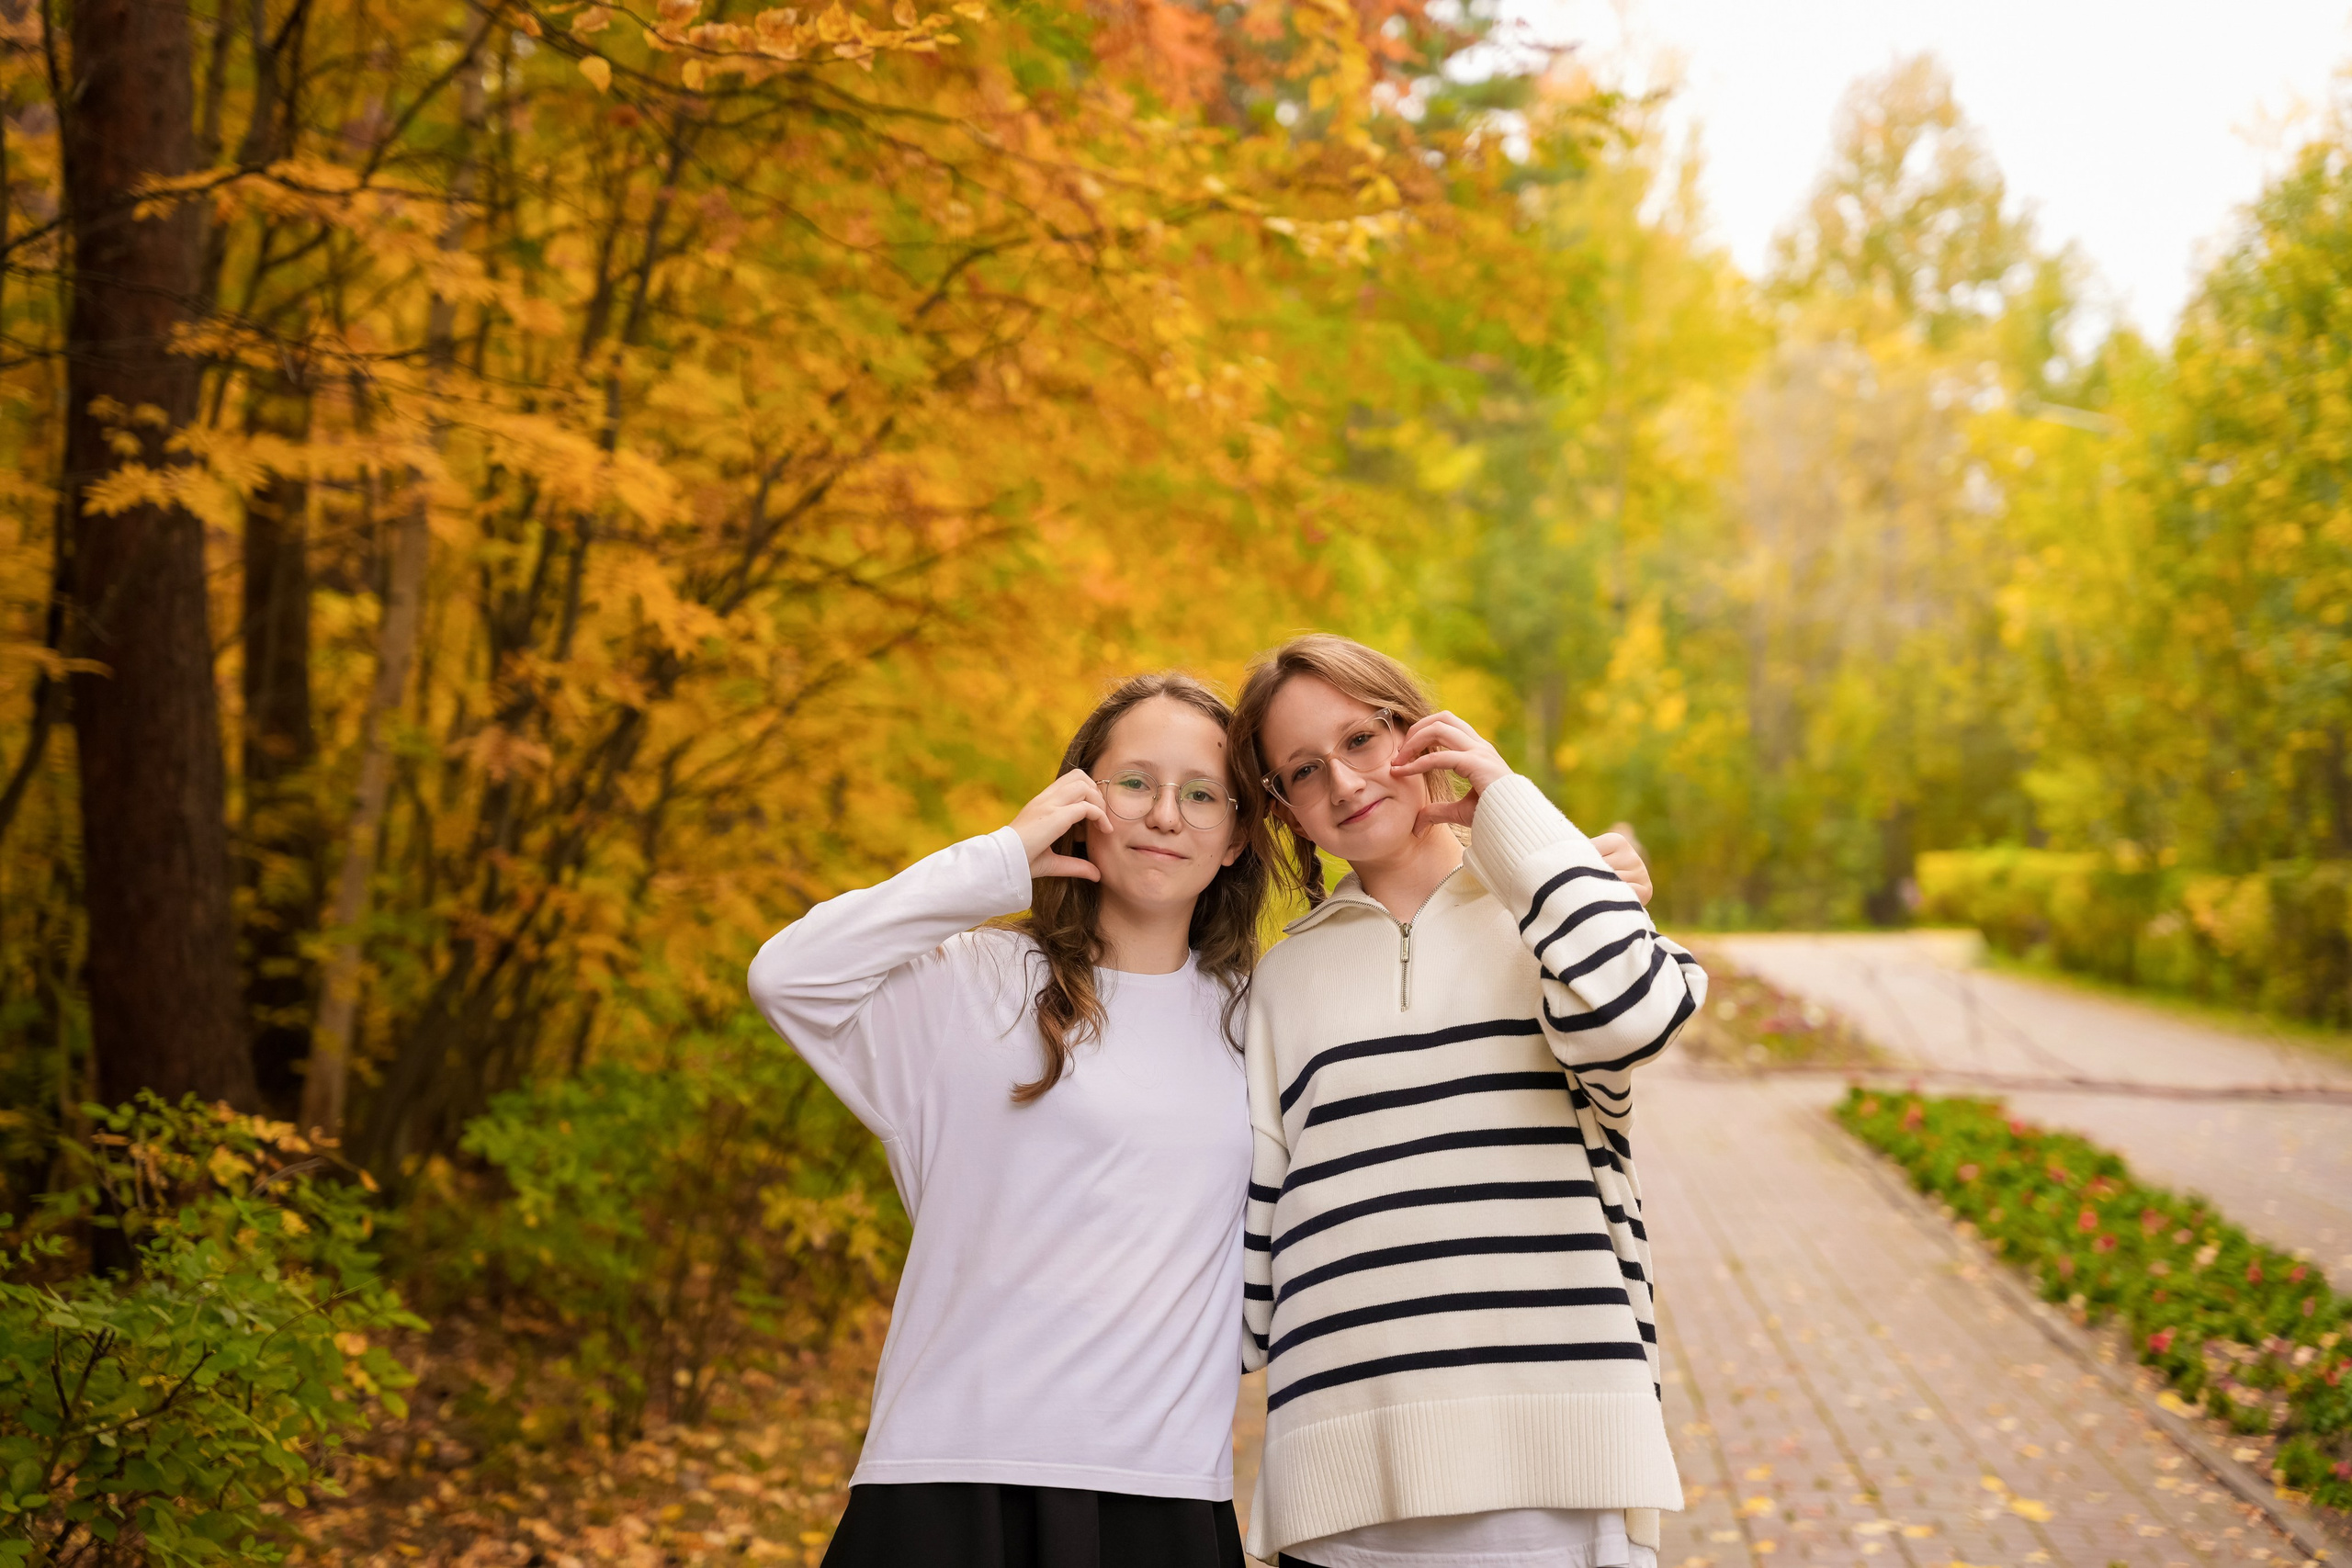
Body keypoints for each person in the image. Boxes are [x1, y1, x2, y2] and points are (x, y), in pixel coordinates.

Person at [746, 672, 1265, 1568]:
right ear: (1078, 800)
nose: (1165, 816)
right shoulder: (972, 982)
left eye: (1202, 794)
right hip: (953, 1474)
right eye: (1134, 782)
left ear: (1236, 837)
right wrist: (996, 859)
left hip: (1167, 1491)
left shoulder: (1262, 1016)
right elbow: (788, 977)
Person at [1227, 635, 1706, 1568]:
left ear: (1422, 732)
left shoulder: (1558, 921)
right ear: (1286, 810)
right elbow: (1252, 1250)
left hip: (1558, 1482)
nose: (1343, 781)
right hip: (1344, 1498)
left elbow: (1639, 1009)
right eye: (1301, 770)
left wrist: (1516, 816)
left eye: (1362, 739)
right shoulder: (1279, 985)